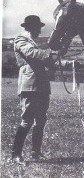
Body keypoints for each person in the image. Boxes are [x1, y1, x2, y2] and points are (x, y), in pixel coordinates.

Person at [12, 15, 72, 165]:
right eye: (38, 27)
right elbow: (32, 54)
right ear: (29, 27)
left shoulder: (35, 44)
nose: (39, 30)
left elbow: (50, 62)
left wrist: (69, 63)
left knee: (41, 121)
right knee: (27, 121)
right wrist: (51, 52)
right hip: (30, 85)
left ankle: (36, 152)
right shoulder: (21, 39)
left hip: (42, 86)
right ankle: (16, 154)